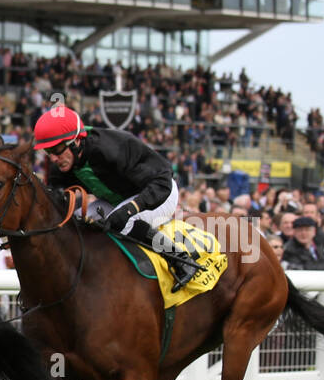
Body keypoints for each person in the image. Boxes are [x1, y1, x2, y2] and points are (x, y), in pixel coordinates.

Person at [33, 105, 200, 290]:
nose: (54, 158)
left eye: (57, 149)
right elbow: (55, 198)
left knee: (124, 222)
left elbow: (162, 181)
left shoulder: (111, 148)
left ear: (76, 141)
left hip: (160, 193)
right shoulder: (62, 162)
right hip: (118, 199)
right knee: (76, 222)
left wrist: (132, 208)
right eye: (48, 152)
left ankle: (181, 259)